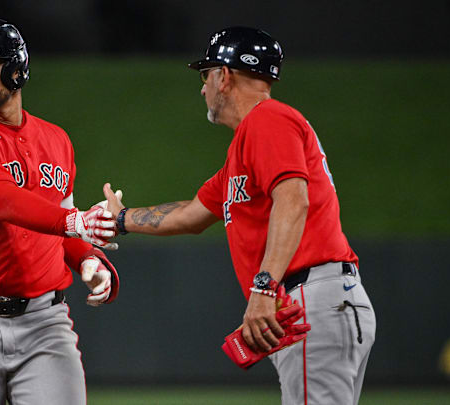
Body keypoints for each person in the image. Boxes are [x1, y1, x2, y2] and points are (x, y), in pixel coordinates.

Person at [102, 26, 376, 405]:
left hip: (310, 297)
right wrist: (120, 219)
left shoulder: (268, 120)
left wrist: (263, 287)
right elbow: (193, 214)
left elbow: (294, 201)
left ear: (224, 76)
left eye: (205, 75)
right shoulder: (248, 146)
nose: (203, 88)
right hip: (312, 300)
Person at [0, 18, 120, 405]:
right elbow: (2, 201)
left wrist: (87, 260)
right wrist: (76, 223)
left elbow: (58, 217)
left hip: (44, 321)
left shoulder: (56, 139)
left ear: (17, 69)